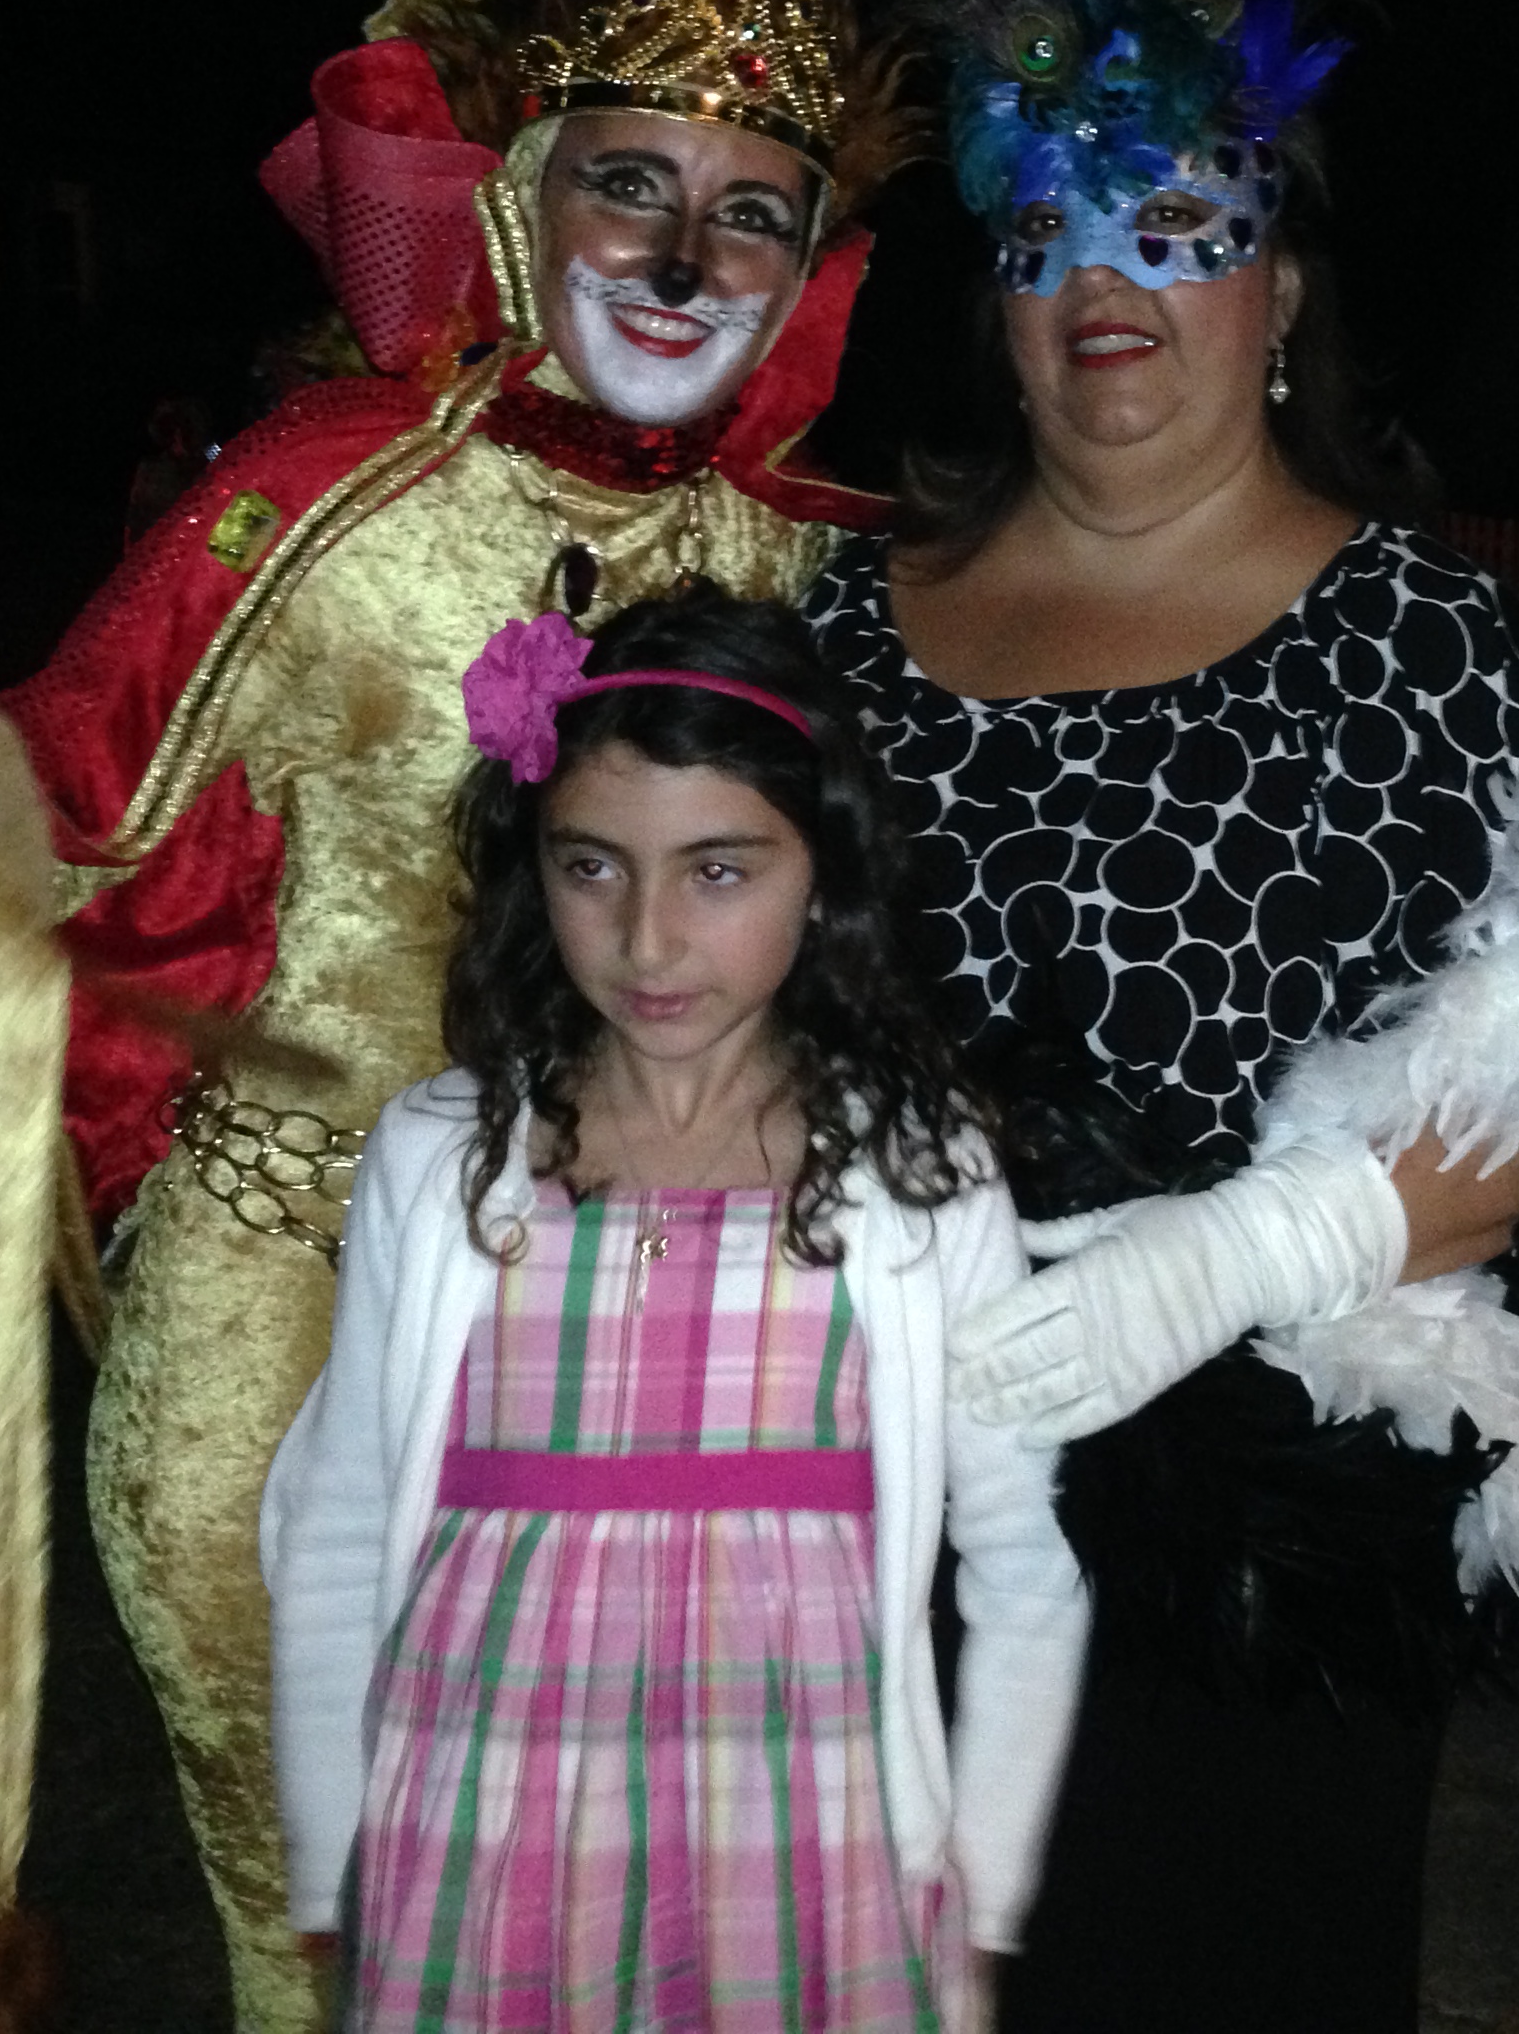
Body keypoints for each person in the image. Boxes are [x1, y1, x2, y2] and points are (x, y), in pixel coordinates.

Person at [0, 0, 911, 2029]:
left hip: (635, 1322)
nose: (685, 258)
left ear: (806, 269)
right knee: (315, 1905)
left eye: (750, 213)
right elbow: (86, 775)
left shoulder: (811, 557)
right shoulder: (329, 494)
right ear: (518, 199)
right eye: (632, 183)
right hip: (284, 1292)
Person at [813, 0, 1519, 2033]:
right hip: (867, 1521)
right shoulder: (838, 624)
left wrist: (1245, 1257)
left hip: (1259, 1570)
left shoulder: (1414, 636)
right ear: (997, 298)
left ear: (1278, 292)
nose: (1114, 284)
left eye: (1181, 226)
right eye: (1053, 230)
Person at [263, 592, 1084, 2032]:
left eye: (718, 871)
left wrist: (983, 1891)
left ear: (822, 874)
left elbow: (1021, 1561)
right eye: (592, 865)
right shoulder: (441, 1162)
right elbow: (337, 1526)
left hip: (808, 1860)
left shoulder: (921, 1175)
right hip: (481, 1845)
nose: (647, 940)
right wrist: (337, 1865)